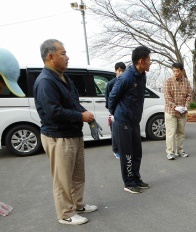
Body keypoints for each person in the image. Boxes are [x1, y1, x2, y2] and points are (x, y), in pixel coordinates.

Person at [33, 39, 98, 225]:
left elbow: (72, 102)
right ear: (50, 57)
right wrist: (80, 116)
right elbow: (53, 111)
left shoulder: (62, 76)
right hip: (58, 136)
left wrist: (85, 113)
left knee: (77, 175)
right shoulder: (46, 81)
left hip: (72, 134)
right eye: (63, 53)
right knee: (62, 179)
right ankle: (66, 214)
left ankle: (78, 204)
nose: (67, 57)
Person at [108, 46, 151, 194]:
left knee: (137, 152)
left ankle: (136, 178)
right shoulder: (126, 77)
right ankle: (129, 182)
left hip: (134, 121)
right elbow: (112, 98)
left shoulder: (142, 75)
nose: (150, 63)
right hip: (123, 121)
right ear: (141, 61)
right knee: (127, 153)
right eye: (148, 60)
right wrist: (116, 115)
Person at [164, 63, 192, 160]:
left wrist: (186, 106)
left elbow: (189, 95)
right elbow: (167, 97)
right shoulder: (168, 81)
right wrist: (175, 107)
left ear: (182, 71)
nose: (175, 73)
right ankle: (170, 152)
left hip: (182, 112)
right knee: (171, 132)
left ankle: (180, 150)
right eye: (174, 71)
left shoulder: (187, 82)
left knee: (181, 132)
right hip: (171, 111)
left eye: (177, 71)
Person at [105, 62, 126, 159]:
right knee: (115, 132)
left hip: (124, 111)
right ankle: (116, 150)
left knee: (124, 131)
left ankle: (124, 149)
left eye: (123, 70)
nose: (121, 72)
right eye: (119, 70)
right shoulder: (110, 84)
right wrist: (112, 113)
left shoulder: (127, 82)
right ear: (115, 71)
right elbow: (108, 100)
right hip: (114, 112)